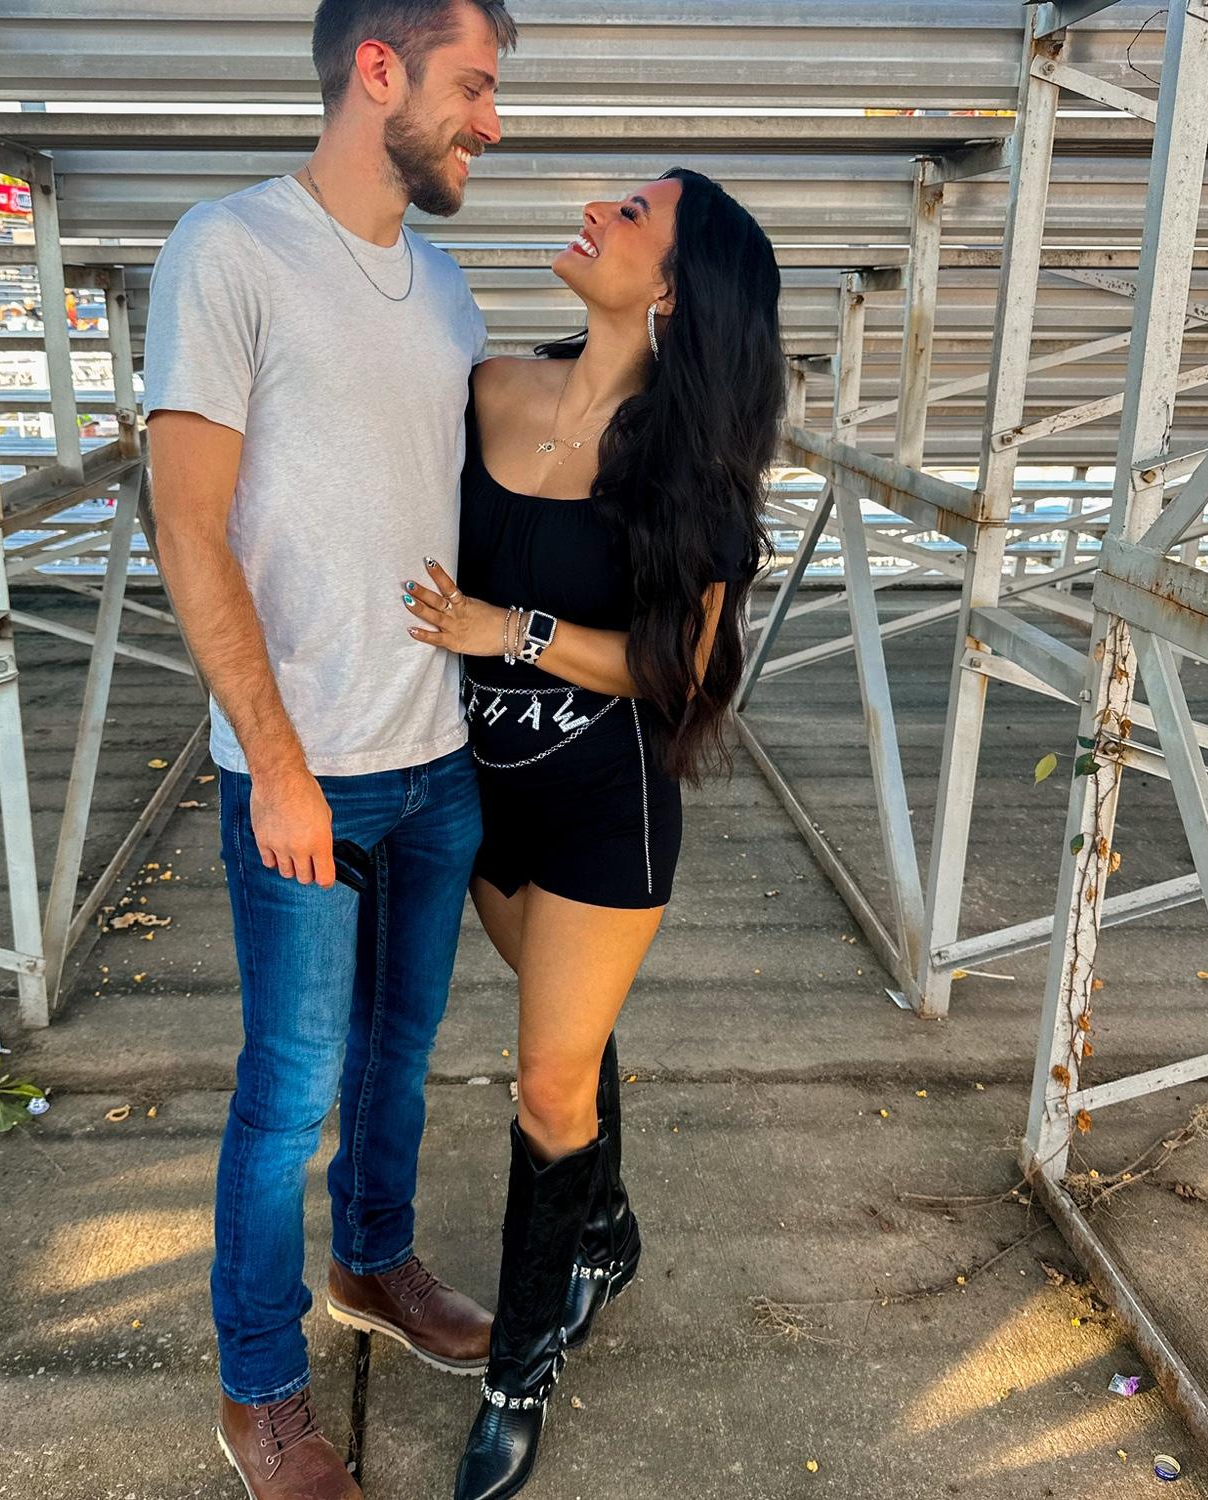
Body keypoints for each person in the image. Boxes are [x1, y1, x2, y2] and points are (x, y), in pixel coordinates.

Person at [141, 1, 515, 1494]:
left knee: (398, 1057)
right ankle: (262, 1390)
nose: (492, 121)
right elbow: (187, 523)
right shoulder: (229, 250)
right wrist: (278, 762)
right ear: (379, 69)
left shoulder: (450, 293)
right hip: (303, 771)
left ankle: (373, 1259)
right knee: (289, 1089)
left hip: (437, 758)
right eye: (473, 85)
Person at [400, 169, 784, 1500]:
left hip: (603, 813)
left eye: (634, 214)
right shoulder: (490, 389)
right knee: (566, 1038)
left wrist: (510, 631)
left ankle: (516, 1377)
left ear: (671, 288)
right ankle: (605, 1224)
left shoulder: (691, 470)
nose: (598, 210)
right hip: (481, 795)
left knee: (546, 1085)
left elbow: (682, 672)